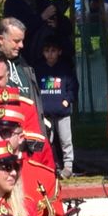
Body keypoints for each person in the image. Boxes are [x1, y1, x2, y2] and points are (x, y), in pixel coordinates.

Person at [35, 37, 76, 175]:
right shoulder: (39, 69)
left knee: (65, 140)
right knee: (47, 141)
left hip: (62, 112)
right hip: (45, 113)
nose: (50, 54)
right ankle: (50, 165)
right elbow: (34, 90)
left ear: (59, 52)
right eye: (47, 51)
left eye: (53, 51)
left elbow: (73, 87)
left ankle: (68, 166)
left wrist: (67, 100)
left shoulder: (65, 69)